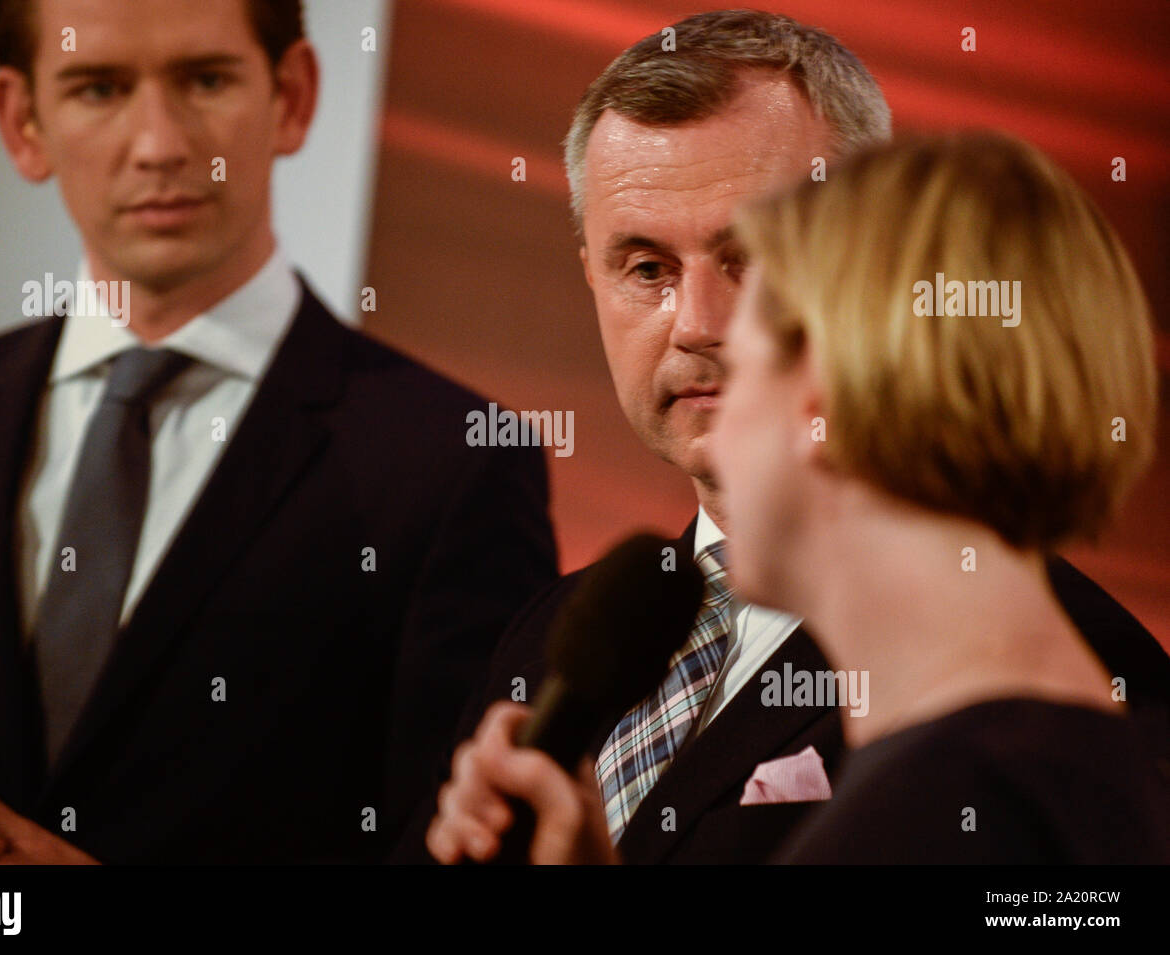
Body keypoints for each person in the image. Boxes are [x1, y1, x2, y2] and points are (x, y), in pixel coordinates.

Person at [410, 11, 1170, 865]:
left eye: (755, 275)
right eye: (647, 268)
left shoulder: (1060, 726)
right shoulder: (558, 640)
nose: (700, 328)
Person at [0, 0, 556, 864]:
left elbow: (454, 859)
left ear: (294, 95)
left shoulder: (453, 464)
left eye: (205, 80)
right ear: (22, 121)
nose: (158, 143)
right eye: (99, 87)